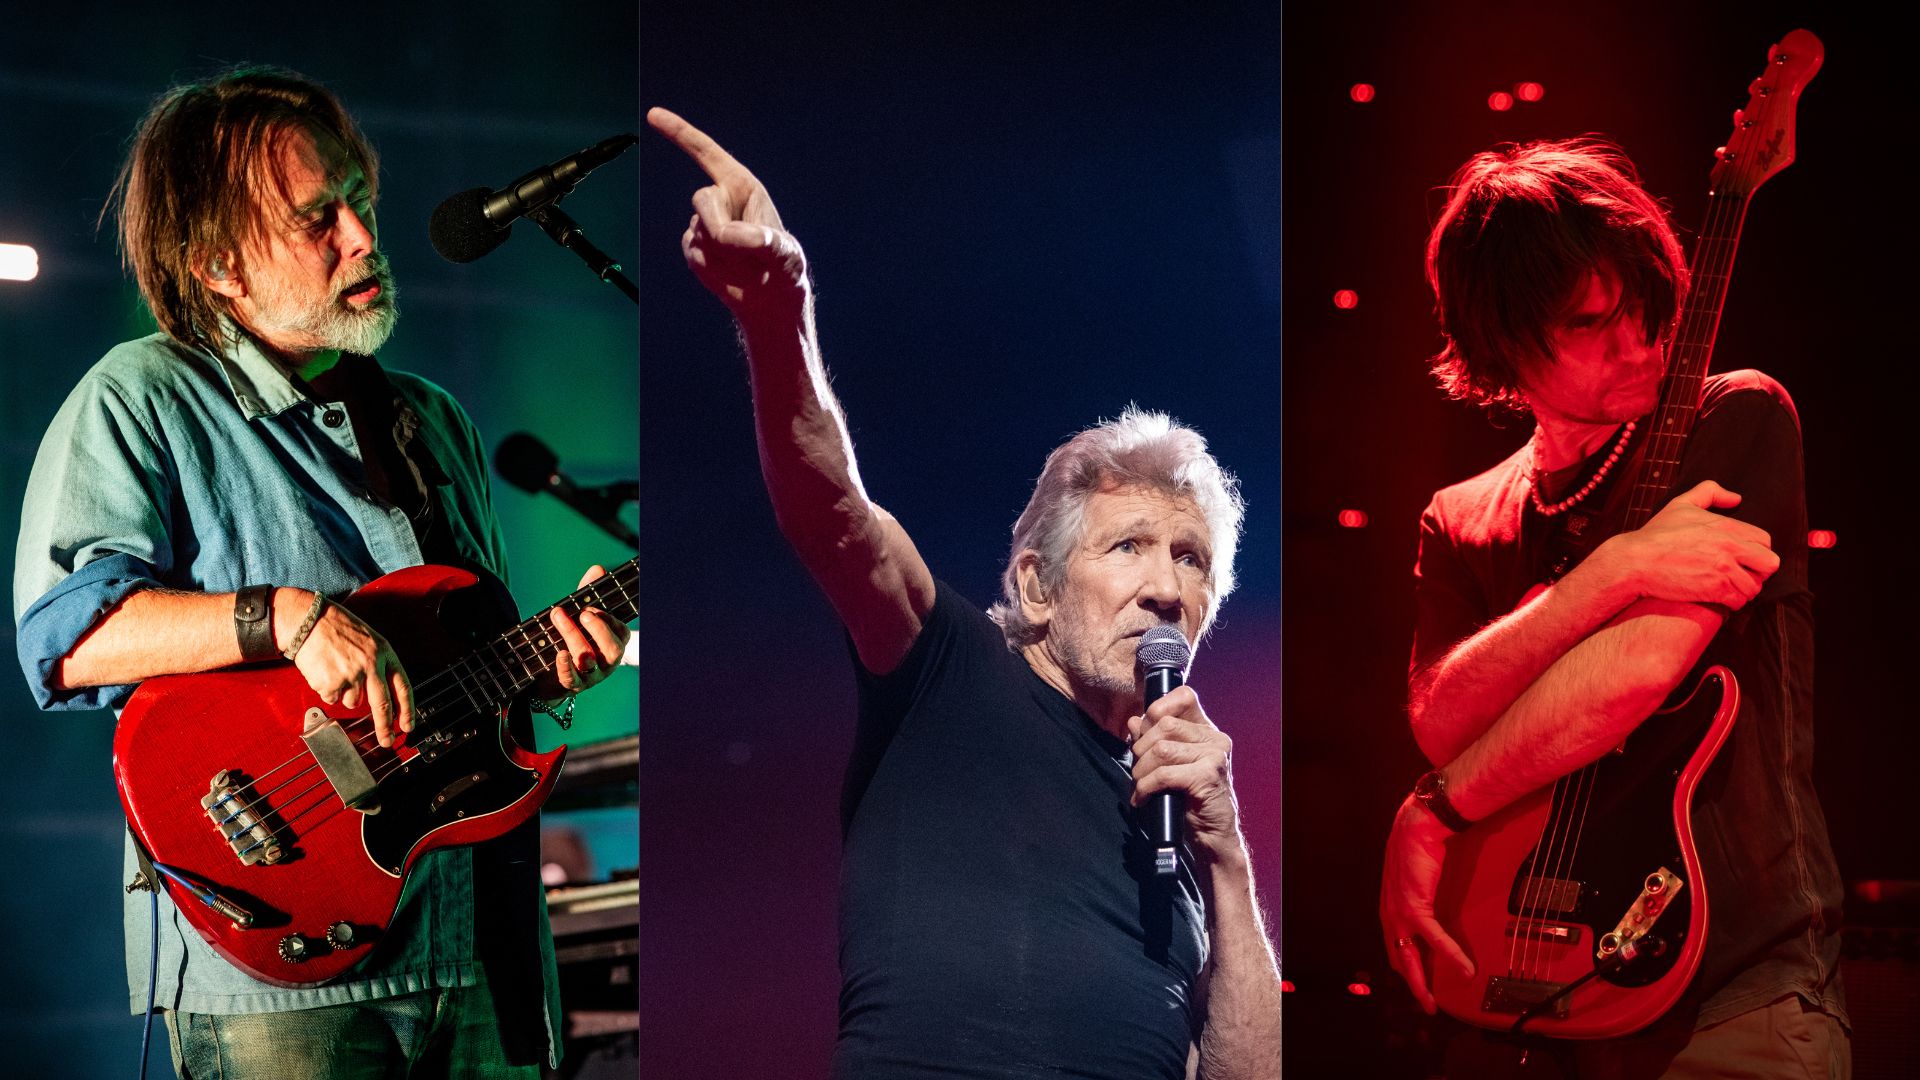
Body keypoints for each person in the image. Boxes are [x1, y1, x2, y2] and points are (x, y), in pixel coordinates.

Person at [12, 67, 630, 1078]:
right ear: (219, 266)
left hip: (481, 942)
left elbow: (467, 668)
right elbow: (66, 639)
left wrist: (553, 668)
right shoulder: (141, 397)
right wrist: (289, 619)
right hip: (280, 979)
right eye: (317, 220)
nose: (362, 236)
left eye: (359, 202)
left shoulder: (431, 421)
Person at [648, 107, 1281, 1079]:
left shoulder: (1185, 827)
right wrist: (780, 319)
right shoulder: (949, 670)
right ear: (1035, 583)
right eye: (1129, 546)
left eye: (1192, 561)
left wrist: (1228, 859)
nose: (1165, 586)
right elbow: (835, 513)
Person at [1378, 139, 1848, 1077]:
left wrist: (1435, 811)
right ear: (1502, 341)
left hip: (1733, 994)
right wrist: (1613, 571)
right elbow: (1440, 722)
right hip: (1518, 999)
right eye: (1592, 323)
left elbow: (1637, 673)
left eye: (1644, 309)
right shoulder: (1460, 516)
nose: (1637, 345)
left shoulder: (1735, 417)